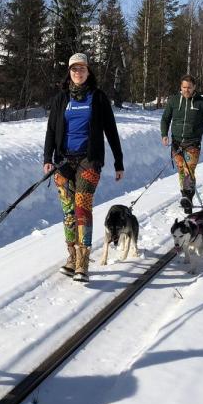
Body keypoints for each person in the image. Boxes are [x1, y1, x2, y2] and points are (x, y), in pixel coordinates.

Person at [43, 52, 124, 282]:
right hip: (63, 161)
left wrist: (119, 161)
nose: (78, 73)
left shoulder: (98, 98)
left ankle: (82, 261)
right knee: (68, 213)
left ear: (89, 71)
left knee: (81, 209)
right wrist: (47, 158)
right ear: (69, 73)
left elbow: (111, 131)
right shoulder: (61, 99)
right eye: (74, 69)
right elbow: (51, 130)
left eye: (82, 69)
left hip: (89, 160)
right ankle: (71, 256)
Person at [160, 74, 203, 213]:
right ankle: (186, 197)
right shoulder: (173, 101)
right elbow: (165, 119)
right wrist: (164, 134)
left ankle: (187, 198)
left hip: (193, 144)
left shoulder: (201, 103)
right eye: (184, 87)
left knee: (188, 170)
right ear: (181, 87)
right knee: (181, 172)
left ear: (194, 87)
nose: (186, 90)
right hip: (176, 144)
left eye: (189, 87)